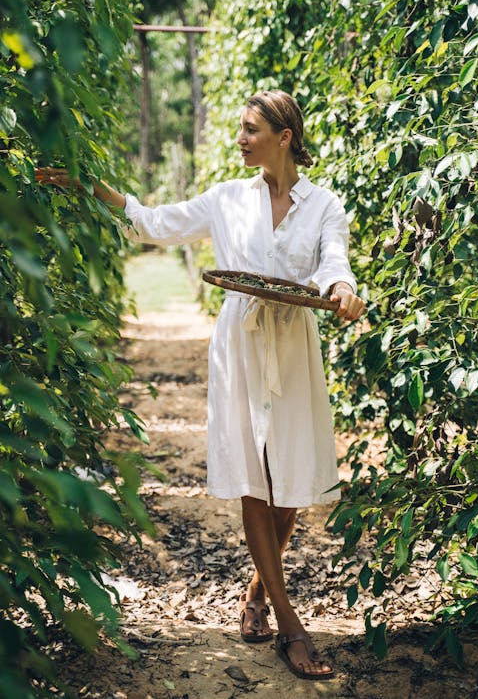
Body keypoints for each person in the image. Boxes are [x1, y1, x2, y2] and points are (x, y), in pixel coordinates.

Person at [36, 90, 365, 681]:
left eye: (249, 129)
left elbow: (333, 263)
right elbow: (155, 223)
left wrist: (340, 291)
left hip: (292, 346)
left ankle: (256, 592)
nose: (239, 138)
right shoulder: (226, 199)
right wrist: (92, 187)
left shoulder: (324, 205)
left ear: (283, 137)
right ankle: (290, 624)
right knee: (252, 479)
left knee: (286, 484)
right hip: (240, 345)